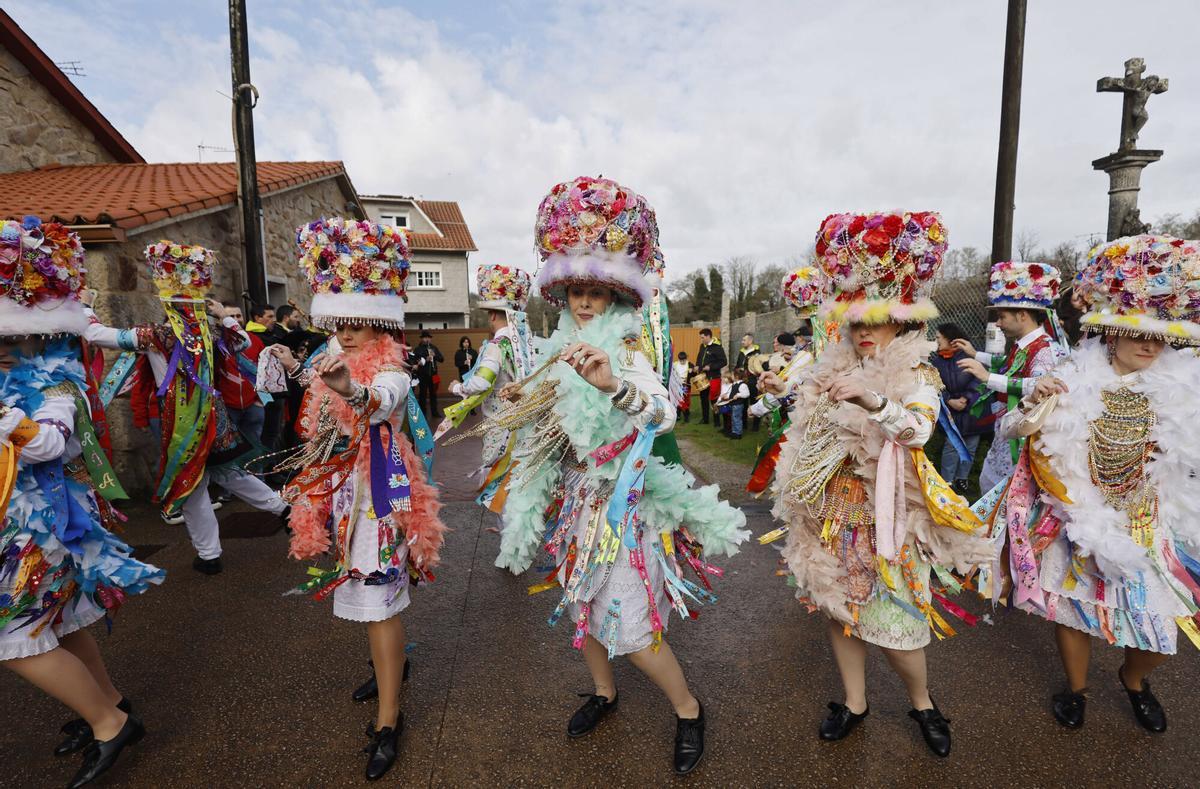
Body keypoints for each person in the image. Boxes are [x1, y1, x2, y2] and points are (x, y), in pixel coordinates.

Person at [490, 176, 749, 774]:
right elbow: (547, 434)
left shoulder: (627, 351)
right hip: (580, 502)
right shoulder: (559, 350)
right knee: (582, 602)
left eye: (596, 293)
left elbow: (660, 411)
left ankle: (687, 708)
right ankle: (604, 694)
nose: (583, 303)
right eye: (575, 291)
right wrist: (523, 410)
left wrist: (612, 386)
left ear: (617, 296)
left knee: (631, 625)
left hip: (625, 506)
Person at [767, 211, 990, 757]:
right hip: (829, 517)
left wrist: (874, 402)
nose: (865, 330)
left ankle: (922, 704)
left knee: (901, 624)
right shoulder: (827, 368)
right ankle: (855, 702)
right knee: (840, 615)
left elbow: (917, 430)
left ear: (904, 322)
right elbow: (803, 424)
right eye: (856, 320)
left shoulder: (918, 375)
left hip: (885, 520)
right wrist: (783, 393)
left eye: (879, 319)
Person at [993, 234, 1200, 733]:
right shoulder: (1071, 374)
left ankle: (1134, 680)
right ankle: (1078, 689)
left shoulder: (1185, 388)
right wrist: (1031, 401)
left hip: (1147, 520)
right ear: (1110, 333)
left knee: (1158, 631)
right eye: (1137, 334)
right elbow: (1012, 429)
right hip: (1078, 514)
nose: (1150, 345)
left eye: (1160, 337)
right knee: (1073, 612)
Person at [270, 216, 445, 780]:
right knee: (371, 601)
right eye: (341, 323)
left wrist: (352, 390)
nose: (347, 334)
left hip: (382, 498)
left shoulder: (390, 365)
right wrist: (300, 371)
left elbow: (380, 397)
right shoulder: (330, 355)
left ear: (382, 328)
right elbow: (313, 415)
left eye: (360, 326)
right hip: (348, 497)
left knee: (380, 602)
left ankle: (389, 720)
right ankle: (389, 668)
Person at [0, 218, 164, 788]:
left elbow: (46, 443)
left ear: (28, 335)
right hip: (18, 527)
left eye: (4, 341)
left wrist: (5, 420)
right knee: (63, 625)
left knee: (13, 638)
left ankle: (107, 722)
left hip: (40, 533)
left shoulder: (57, 382)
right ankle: (111, 705)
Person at [83, 241, 289, 575]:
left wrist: (84, 306)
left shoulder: (158, 334)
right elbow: (245, 343)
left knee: (193, 485)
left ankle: (210, 555)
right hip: (214, 416)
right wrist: (224, 316)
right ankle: (282, 509)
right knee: (229, 473)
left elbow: (97, 334)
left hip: (180, 422)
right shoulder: (210, 329)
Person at [952, 262, 1064, 494]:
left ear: (1022, 315)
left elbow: (1040, 387)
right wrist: (976, 354)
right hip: (1005, 438)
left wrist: (987, 377)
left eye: (1002, 317)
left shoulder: (1045, 351)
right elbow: (1009, 367)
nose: (998, 324)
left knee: (1010, 507)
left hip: (1022, 445)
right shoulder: (1025, 346)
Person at [438, 264, 536, 511]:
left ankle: (506, 533)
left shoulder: (496, 345)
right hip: (522, 422)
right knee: (517, 481)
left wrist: (459, 387)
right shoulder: (524, 345)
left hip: (500, 425)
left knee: (499, 485)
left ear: (492, 315)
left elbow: (482, 381)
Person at [747, 267, 829, 495]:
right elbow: (794, 386)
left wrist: (760, 406)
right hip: (801, 423)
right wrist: (781, 389)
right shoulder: (806, 354)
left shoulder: (818, 353)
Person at [929, 322, 986, 495]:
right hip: (951, 410)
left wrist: (967, 398)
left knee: (971, 445)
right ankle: (947, 482)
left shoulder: (968, 357)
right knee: (952, 445)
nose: (936, 340)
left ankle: (963, 479)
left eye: (939, 337)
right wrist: (949, 400)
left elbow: (979, 380)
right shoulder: (936, 361)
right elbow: (934, 385)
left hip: (971, 410)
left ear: (950, 338)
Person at [695, 328, 725, 428]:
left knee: (714, 400)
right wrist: (697, 367)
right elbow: (699, 358)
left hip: (713, 377)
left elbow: (724, 361)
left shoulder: (717, 347)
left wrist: (711, 367)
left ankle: (717, 422)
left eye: (703, 337)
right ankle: (705, 419)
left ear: (708, 336)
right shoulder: (702, 346)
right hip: (703, 377)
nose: (701, 339)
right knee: (703, 399)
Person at [410, 331, 444, 419]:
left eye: (428, 337)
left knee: (433, 394)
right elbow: (415, 361)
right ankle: (423, 413)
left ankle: (435, 412)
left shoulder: (434, 348)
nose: (427, 339)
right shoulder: (418, 349)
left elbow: (441, 359)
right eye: (425, 337)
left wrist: (435, 355)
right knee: (423, 394)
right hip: (422, 375)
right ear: (422, 339)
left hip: (433, 374)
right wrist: (426, 359)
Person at [734, 333, 762, 431]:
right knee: (743, 402)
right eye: (742, 340)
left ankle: (755, 426)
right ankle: (744, 424)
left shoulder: (757, 353)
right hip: (743, 381)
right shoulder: (741, 352)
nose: (742, 342)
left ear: (750, 341)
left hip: (753, 381)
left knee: (755, 402)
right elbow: (737, 365)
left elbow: (758, 367)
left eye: (744, 340)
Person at [674, 351, 691, 422]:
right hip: (677, 385)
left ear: (686, 359)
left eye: (684, 360)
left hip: (685, 385)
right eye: (681, 360)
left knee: (685, 400)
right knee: (678, 399)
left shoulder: (689, 364)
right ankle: (678, 414)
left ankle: (686, 415)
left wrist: (692, 371)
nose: (682, 362)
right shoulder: (675, 364)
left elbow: (694, 372)